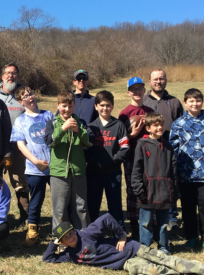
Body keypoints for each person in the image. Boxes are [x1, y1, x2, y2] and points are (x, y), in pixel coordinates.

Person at [43, 215, 204, 275]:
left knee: (170, 260)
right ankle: (179, 272)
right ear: (63, 242)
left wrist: (122, 236)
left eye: (71, 232)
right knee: (153, 272)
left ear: (74, 230)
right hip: (126, 263)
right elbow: (48, 259)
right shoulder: (69, 255)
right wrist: (53, 244)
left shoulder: (87, 234)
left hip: (133, 249)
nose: (71, 237)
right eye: (66, 238)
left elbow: (107, 218)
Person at [169, 88, 204, 257]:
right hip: (185, 174)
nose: (195, 104)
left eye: (198, 100)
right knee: (187, 208)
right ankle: (191, 237)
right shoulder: (178, 124)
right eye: (191, 101)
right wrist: (174, 173)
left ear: (202, 102)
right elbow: (173, 149)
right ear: (185, 103)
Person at [11, 86, 54, 246]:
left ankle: (61, 229)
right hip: (34, 168)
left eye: (31, 93)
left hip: (53, 167)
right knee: (36, 200)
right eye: (26, 96)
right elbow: (21, 145)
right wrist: (36, 161)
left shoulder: (48, 115)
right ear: (21, 102)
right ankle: (33, 229)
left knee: (59, 199)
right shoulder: (20, 121)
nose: (30, 97)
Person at [131, 113, 179, 255]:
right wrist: (139, 189)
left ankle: (164, 247)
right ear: (148, 128)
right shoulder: (142, 145)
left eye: (161, 124)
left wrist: (174, 189)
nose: (160, 127)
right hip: (147, 192)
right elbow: (137, 170)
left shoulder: (168, 146)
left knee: (164, 223)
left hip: (165, 192)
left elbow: (173, 170)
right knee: (145, 223)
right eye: (156, 125)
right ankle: (144, 248)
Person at [44, 91, 91, 232]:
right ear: (58, 105)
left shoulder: (80, 122)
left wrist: (78, 131)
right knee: (60, 208)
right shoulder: (52, 123)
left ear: (74, 106)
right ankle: (60, 239)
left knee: (81, 207)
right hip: (59, 173)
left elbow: (89, 142)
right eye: (64, 106)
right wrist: (63, 128)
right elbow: (50, 142)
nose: (67, 109)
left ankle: (83, 237)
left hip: (78, 171)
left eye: (70, 106)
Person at [143, 69, 184, 230]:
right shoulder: (145, 102)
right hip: (150, 151)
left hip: (169, 151)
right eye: (155, 79)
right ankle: (152, 216)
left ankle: (172, 216)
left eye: (161, 79)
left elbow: (181, 126)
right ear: (149, 81)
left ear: (166, 80)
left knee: (170, 182)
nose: (158, 81)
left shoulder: (174, 102)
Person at [0, 63, 30, 224]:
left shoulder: (25, 95)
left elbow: (33, 117)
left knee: (20, 182)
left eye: (14, 73)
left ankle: (26, 217)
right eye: (7, 73)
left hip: (18, 147)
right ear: (2, 76)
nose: (10, 76)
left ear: (18, 76)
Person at [86, 91, 129, 227]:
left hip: (113, 173)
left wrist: (113, 161)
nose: (105, 108)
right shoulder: (91, 127)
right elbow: (86, 149)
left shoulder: (118, 126)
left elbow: (125, 148)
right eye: (102, 105)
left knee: (115, 204)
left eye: (108, 105)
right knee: (93, 204)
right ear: (96, 106)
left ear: (112, 106)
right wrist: (95, 162)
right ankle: (91, 232)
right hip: (94, 173)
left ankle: (119, 232)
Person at [118, 77, 154, 241]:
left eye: (140, 88)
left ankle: (150, 226)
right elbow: (120, 139)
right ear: (128, 93)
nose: (137, 92)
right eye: (133, 89)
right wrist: (130, 135)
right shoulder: (124, 114)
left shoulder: (150, 111)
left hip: (148, 157)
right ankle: (135, 228)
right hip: (132, 157)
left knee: (149, 189)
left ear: (144, 91)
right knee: (133, 191)